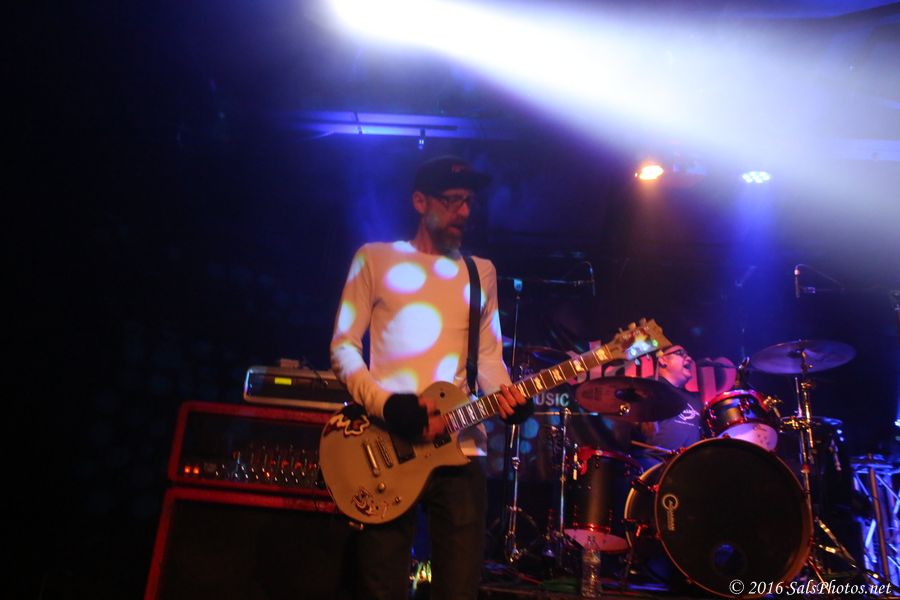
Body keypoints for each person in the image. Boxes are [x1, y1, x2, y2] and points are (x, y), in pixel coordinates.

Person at [330, 155, 530, 600]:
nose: (464, 211)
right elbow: (343, 348)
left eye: (469, 201)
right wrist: (388, 405)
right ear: (420, 201)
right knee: (379, 586)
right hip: (388, 442)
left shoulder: (481, 272)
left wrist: (509, 396)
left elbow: (489, 358)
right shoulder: (375, 259)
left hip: (462, 448)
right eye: (452, 200)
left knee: (459, 589)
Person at [636, 344, 704, 467]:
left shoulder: (696, 400)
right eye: (681, 353)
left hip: (690, 467)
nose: (689, 359)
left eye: (688, 355)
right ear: (663, 360)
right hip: (654, 467)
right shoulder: (647, 387)